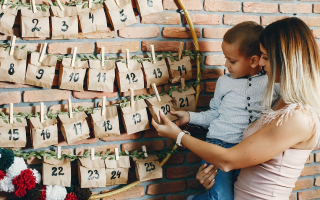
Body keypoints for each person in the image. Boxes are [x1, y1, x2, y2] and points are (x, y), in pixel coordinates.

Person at [152, 17, 320, 200]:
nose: (261, 64)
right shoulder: (281, 102)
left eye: (265, 57)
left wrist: (178, 135)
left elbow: (228, 160)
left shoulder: (298, 117)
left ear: (285, 59)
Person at [168, 21, 279, 200]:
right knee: (220, 197)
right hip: (218, 145)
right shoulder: (224, 82)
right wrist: (190, 117)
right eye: (225, 58)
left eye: (232, 60)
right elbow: (214, 113)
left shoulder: (272, 82)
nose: (225, 64)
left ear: (254, 60)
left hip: (249, 151)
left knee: (238, 195)